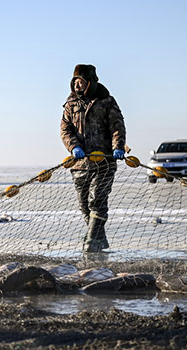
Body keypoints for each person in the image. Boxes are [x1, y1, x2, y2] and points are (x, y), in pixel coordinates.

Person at [60, 64, 127, 252]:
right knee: (84, 206)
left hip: (104, 161)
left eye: (80, 81)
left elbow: (117, 126)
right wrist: (73, 147)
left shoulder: (106, 101)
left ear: (90, 82)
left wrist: (118, 147)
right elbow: (65, 129)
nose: (77, 85)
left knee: (97, 200)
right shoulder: (70, 104)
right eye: (75, 82)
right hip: (80, 164)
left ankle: (90, 242)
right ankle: (100, 240)